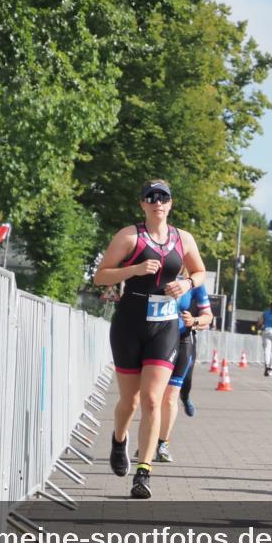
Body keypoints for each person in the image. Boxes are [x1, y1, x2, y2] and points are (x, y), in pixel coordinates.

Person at [93, 180, 206, 499]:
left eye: (164, 197)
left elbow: (200, 273)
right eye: (151, 198)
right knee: (129, 401)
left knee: (153, 399)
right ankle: (118, 440)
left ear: (171, 204)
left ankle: (143, 472)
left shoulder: (183, 238)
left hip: (165, 325)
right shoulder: (130, 236)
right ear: (142, 204)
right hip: (129, 323)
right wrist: (135, 268)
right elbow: (101, 275)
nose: (158, 202)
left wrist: (186, 283)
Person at [156, 274, 212, 461]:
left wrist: (194, 321)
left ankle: (163, 444)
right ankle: (150, 441)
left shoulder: (194, 282)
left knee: (175, 393)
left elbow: (208, 317)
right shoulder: (159, 275)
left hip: (182, 340)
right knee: (155, 398)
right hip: (157, 340)